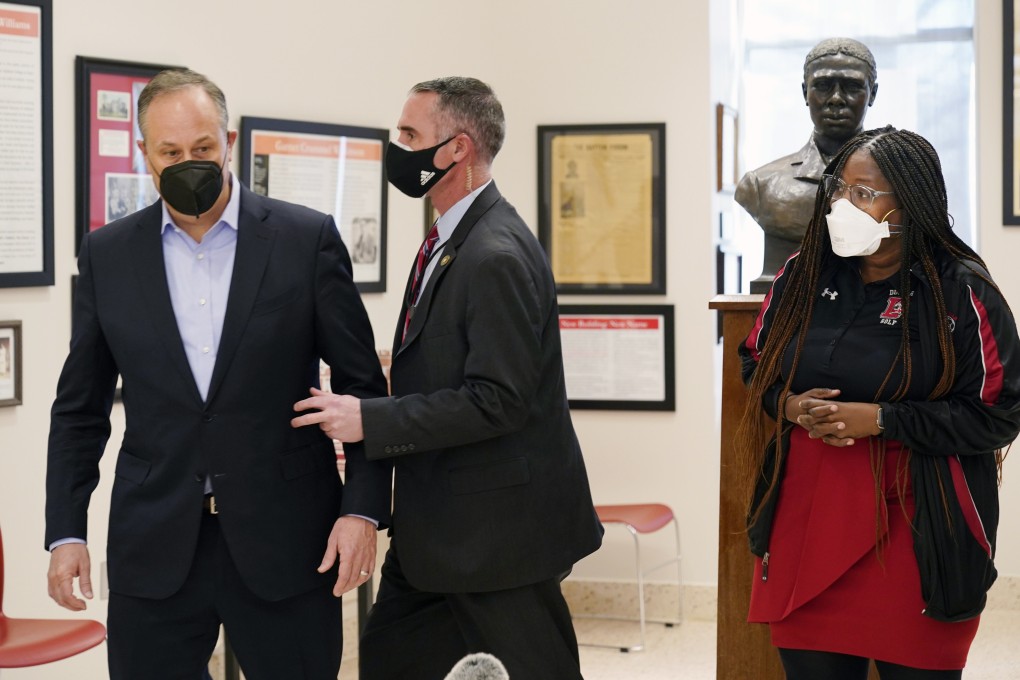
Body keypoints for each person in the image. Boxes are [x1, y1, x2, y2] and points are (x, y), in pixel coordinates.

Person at [45, 68, 390, 680]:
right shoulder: (108, 254)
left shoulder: (304, 239)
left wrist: (361, 511)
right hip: (154, 543)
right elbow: (80, 408)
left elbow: (364, 389)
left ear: (228, 140)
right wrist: (65, 531)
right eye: (171, 152)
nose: (188, 162)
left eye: (202, 148)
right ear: (144, 153)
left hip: (289, 540)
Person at [291, 76, 604, 679]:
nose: (396, 145)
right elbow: (463, 358)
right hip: (437, 533)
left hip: (496, 538)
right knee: (388, 660)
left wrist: (368, 418)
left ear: (456, 149)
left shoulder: (495, 254)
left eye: (409, 134)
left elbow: (498, 400)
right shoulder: (451, 236)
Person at [735, 126, 1020, 679]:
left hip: (919, 528)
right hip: (808, 520)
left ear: (910, 205)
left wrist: (884, 420)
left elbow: (1000, 413)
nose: (843, 202)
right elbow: (756, 363)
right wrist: (791, 407)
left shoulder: (962, 291)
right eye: (840, 187)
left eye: (864, 193)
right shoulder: (801, 274)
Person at [736, 37, 878, 292]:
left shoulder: (896, 181)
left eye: (852, 86)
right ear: (805, 92)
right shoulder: (761, 185)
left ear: (872, 94)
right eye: (823, 86)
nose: (836, 98)